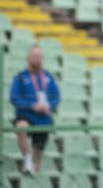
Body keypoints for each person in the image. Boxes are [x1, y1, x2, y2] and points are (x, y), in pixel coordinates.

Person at [10, 46, 61, 174]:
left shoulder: (47, 77)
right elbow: (14, 98)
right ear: (28, 58)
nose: (37, 59)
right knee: (21, 127)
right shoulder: (21, 77)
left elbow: (56, 96)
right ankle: (27, 158)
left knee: (37, 160)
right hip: (26, 114)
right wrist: (32, 105)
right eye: (34, 56)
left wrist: (49, 105)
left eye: (39, 57)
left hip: (44, 117)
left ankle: (34, 165)